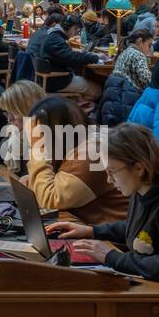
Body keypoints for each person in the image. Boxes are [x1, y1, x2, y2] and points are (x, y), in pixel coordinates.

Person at [48, 123, 159, 317]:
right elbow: (142, 229)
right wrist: (92, 231)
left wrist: (111, 257)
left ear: (139, 168)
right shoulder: (143, 191)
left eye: (112, 172)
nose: (109, 180)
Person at [25, 95, 128, 224]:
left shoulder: (91, 153)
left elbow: (50, 200)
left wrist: (37, 150)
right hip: (84, 226)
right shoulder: (78, 143)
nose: (36, 140)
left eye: (39, 134)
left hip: (109, 239)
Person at [0, 80, 46, 171]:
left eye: (14, 112)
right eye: (7, 113)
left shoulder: (46, 138)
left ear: (29, 110)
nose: (9, 119)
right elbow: (1, 146)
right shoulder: (18, 133)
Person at [35, 12, 101, 95]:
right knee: (97, 90)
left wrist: (73, 51)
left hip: (53, 78)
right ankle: (74, 104)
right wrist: (94, 57)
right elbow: (71, 58)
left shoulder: (54, 35)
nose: (76, 33)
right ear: (68, 27)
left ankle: (75, 102)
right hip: (57, 81)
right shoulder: (55, 39)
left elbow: (64, 54)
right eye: (76, 29)